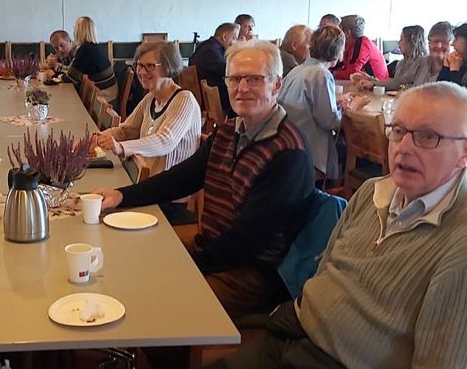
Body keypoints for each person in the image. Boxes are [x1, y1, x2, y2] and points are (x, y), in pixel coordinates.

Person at [209, 82, 467, 369]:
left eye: (428, 137)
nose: (403, 148)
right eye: (398, 131)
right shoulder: (372, 191)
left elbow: (440, 361)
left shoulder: (460, 242)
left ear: (464, 153)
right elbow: (326, 268)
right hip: (293, 331)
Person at [93, 40, 314, 320]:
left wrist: (188, 264)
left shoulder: (288, 151)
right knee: (129, 262)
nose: (242, 88)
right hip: (214, 250)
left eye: (254, 79)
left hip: (255, 274)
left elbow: (249, 241)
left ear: (277, 85)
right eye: (234, 79)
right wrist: (122, 196)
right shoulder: (228, 132)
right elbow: (182, 178)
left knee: (156, 300)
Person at [94, 41, 202, 224]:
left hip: (171, 198)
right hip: (147, 187)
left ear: (168, 67)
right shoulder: (151, 98)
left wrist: (121, 147)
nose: (142, 72)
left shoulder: (184, 100)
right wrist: (98, 138)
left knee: (104, 214)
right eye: (139, 65)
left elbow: (165, 141)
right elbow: (126, 130)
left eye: (150, 66)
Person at [279, 26, 362, 182]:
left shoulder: (297, 70)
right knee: (352, 151)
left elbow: (306, 104)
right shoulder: (321, 74)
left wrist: (336, 101)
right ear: (338, 50)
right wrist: (350, 107)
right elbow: (330, 122)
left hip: (289, 143)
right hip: (309, 151)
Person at [353, 25, 433, 91]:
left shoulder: (422, 62)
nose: (398, 43)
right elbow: (394, 83)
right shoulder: (401, 63)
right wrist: (370, 79)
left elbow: (399, 83)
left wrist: (373, 83)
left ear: (411, 42)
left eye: (401, 39)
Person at [61, 16, 117, 103]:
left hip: (104, 100)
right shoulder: (95, 47)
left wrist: (53, 76)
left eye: (75, 28)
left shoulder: (85, 50)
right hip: (111, 94)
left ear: (79, 31)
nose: (73, 31)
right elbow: (74, 73)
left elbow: (71, 79)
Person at [189, 22, 240, 115]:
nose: (235, 43)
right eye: (234, 38)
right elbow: (228, 72)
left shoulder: (207, 45)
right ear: (224, 37)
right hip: (214, 100)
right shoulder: (211, 51)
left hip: (207, 95)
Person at [332, 15, 389, 80]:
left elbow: (352, 73)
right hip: (368, 82)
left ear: (347, 32)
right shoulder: (351, 45)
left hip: (378, 84)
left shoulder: (362, 44)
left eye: (339, 30)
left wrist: (333, 73)